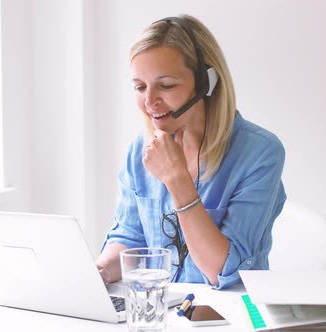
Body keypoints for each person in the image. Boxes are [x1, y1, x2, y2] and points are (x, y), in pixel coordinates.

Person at [96, 14, 286, 290]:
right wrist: (99, 271)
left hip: (228, 317)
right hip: (162, 312)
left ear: (206, 83)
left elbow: (222, 271)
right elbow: (129, 239)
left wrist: (177, 180)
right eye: (140, 87)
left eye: (167, 85)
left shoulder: (260, 153)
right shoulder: (141, 150)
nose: (149, 101)